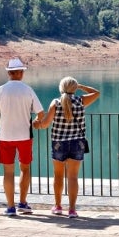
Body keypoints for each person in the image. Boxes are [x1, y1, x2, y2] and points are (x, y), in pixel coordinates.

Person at [34, 76, 100, 218]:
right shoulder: (81, 101)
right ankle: (72, 209)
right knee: (73, 177)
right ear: (74, 89)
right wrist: (81, 86)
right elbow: (96, 93)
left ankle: (58, 206)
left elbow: (45, 124)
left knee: (58, 175)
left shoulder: (56, 103)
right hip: (77, 143)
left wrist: (36, 124)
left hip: (59, 143)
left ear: (60, 88)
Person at [0, 57, 44, 217]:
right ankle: (23, 202)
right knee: (25, 169)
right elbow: (41, 113)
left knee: (8, 172)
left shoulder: (0, 90)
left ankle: (11, 207)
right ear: (20, 73)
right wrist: (36, 122)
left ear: (9, 73)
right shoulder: (28, 90)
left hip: (5, 136)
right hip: (25, 136)